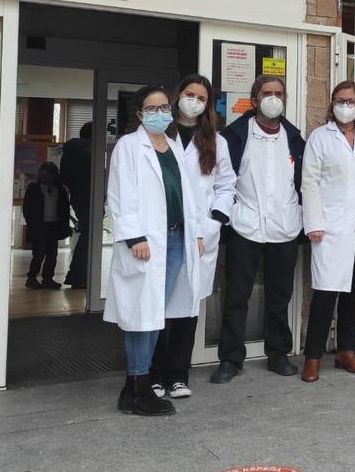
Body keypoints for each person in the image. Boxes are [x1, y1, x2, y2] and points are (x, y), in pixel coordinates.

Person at [105, 85, 205, 416]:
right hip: (146, 243)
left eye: (165, 107)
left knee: (154, 314)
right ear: (139, 114)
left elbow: (186, 196)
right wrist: (135, 238)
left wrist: (196, 233)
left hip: (176, 240)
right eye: (152, 109)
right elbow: (120, 195)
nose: (160, 113)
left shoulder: (172, 146)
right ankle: (139, 387)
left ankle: (133, 389)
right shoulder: (128, 146)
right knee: (141, 317)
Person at [210, 75, 306, 384]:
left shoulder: (294, 139)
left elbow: (304, 182)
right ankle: (230, 358)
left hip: (284, 228)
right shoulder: (233, 136)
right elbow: (221, 181)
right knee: (237, 295)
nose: (273, 98)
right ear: (254, 99)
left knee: (280, 296)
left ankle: (278, 353)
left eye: (279, 93)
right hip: (245, 226)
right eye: (267, 93)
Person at [300, 81, 355, 382]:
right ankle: (312, 357)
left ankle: (346, 351)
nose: (346, 105)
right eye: (340, 100)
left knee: (354, 293)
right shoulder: (319, 137)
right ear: (332, 104)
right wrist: (313, 222)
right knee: (326, 294)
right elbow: (309, 182)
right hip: (330, 228)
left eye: (351, 100)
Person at [151, 75, 235, 397]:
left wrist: (213, 222)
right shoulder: (159, 135)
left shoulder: (216, 141)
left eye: (201, 98)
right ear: (177, 96)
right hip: (165, 232)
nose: (194, 102)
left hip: (201, 235)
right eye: (189, 94)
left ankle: (178, 375)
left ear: (207, 105)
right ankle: (155, 374)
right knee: (158, 305)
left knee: (187, 309)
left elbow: (227, 186)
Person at [22, 161, 72, 290]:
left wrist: (64, 226)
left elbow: (64, 209)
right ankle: (32, 278)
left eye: (50, 175)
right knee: (38, 254)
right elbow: (27, 209)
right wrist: (32, 224)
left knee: (52, 254)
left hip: (53, 225)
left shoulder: (59, 189)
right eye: (45, 175)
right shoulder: (33, 188)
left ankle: (48, 278)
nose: (48, 178)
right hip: (40, 226)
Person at [60, 122, 93, 289]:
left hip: (77, 197)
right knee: (90, 236)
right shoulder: (89, 151)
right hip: (90, 197)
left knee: (87, 235)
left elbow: (64, 177)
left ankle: (78, 274)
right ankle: (78, 274)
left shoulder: (69, 152)